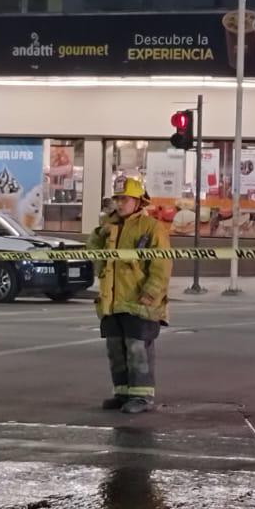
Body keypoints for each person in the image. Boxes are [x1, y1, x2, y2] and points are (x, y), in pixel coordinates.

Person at [87, 176, 173, 414]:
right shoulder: (110, 227)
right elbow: (93, 252)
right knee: (116, 349)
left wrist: (151, 292)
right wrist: (100, 232)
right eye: (117, 199)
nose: (119, 203)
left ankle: (142, 397)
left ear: (138, 201)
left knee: (137, 349)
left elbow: (162, 265)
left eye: (125, 199)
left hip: (139, 301)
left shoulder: (151, 227)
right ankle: (123, 393)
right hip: (113, 301)